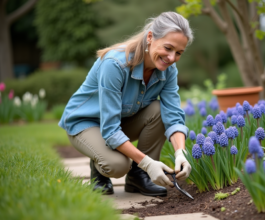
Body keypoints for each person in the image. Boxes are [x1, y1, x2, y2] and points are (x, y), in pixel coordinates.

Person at [59, 11, 193, 197]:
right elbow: (110, 129)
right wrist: (148, 162)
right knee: (117, 165)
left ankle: (138, 177)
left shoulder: (168, 69)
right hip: (86, 123)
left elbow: (173, 113)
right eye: (168, 48)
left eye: (179, 53)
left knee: (159, 111)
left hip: (119, 120)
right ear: (150, 37)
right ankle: (98, 165)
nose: (171, 58)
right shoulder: (115, 64)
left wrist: (181, 153)